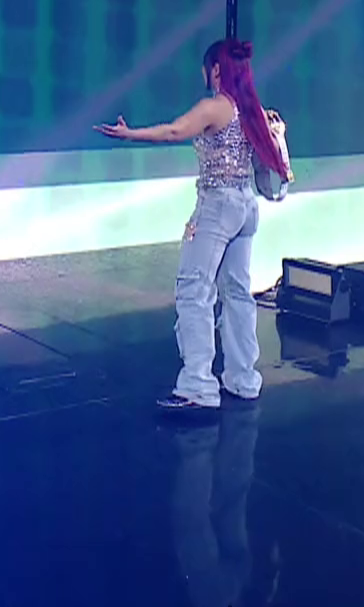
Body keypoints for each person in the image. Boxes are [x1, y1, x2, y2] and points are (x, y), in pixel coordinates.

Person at [95, 39, 292, 414]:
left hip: (217, 207)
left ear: (216, 69)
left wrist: (130, 134)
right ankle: (243, 378)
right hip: (245, 206)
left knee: (194, 289)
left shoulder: (216, 107)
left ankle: (199, 386)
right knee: (237, 293)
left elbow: (174, 131)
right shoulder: (251, 110)